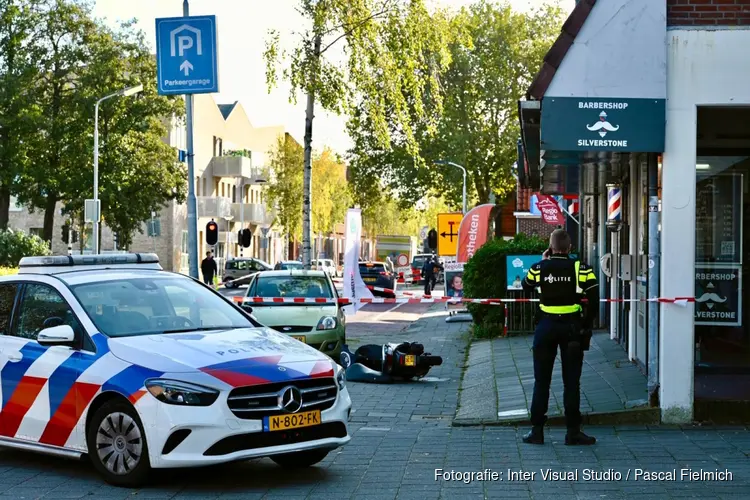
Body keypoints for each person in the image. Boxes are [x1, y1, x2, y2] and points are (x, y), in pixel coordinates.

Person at [521, 229, 598, 446]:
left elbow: (526, 286)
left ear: (550, 247)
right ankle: (573, 432)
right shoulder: (581, 268)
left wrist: (543, 262)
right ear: (570, 247)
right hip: (572, 329)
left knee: (541, 381)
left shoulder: (539, 268)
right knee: (571, 382)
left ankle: (537, 431)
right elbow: (594, 298)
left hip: (546, 327)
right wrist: (585, 325)